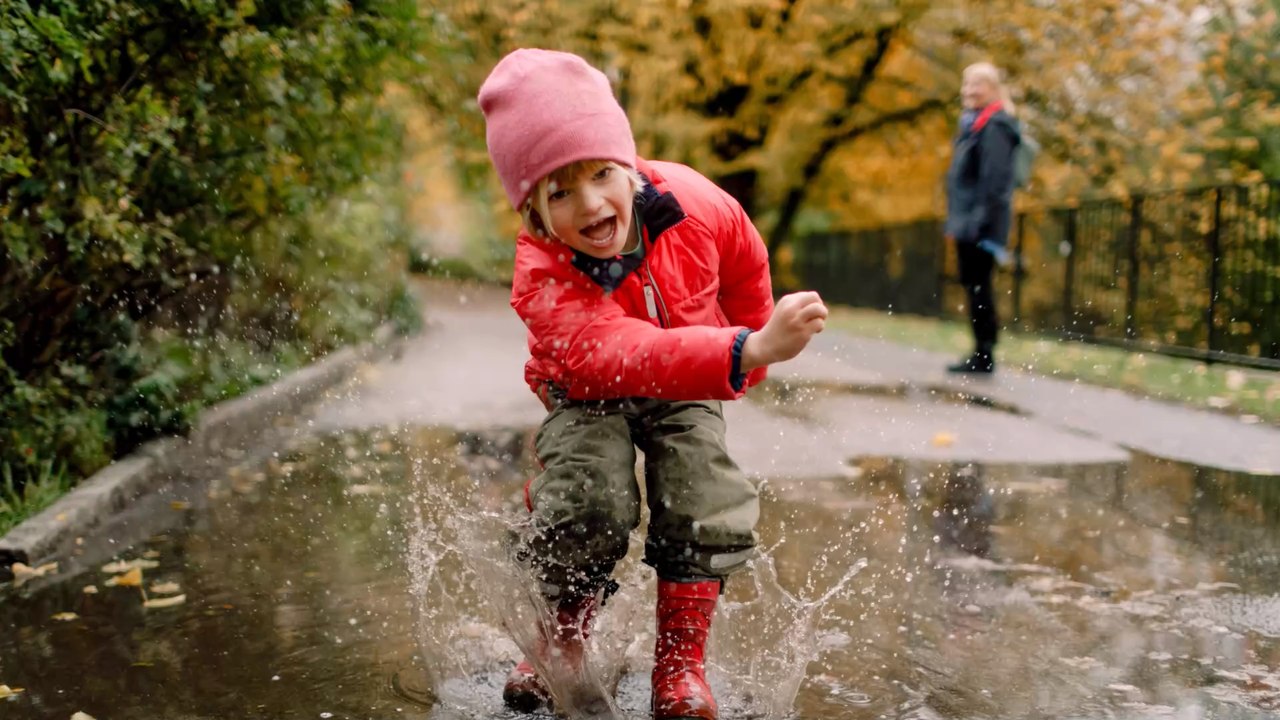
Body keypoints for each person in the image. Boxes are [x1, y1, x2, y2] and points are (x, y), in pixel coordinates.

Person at [477, 48, 828, 719]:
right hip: (587, 389)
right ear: (533, 212)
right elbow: (616, 350)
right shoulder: (541, 270)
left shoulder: (698, 204)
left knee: (703, 491)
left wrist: (753, 347)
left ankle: (681, 665)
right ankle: (560, 640)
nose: (589, 203)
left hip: (693, 373)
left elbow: (746, 263)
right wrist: (744, 346)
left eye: (600, 174)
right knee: (586, 496)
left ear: (628, 163)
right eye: (558, 191)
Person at [944, 61, 1022, 374]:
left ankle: (985, 353)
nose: (970, 91)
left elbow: (996, 181)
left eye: (977, 84)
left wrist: (978, 223)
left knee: (980, 287)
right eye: (967, 84)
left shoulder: (995, 126)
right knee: (974, 285)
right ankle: (982, 350)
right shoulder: (975, 124)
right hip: (968, 221)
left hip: (980, 225)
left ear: (993, 89)